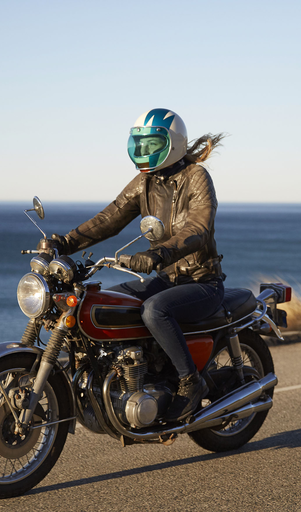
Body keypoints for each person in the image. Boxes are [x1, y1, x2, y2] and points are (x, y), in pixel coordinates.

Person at [52, 108, 225, 421]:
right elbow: (110, 218)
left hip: (201, 282)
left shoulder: (196, 177)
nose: (143, 151)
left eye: (151, 144)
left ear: (172, 144)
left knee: (154, 310)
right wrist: (64, 243)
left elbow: (198, 228)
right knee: (108, 302)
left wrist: (159, 254)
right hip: (166, 279)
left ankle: (190, 382)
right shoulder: (145, 182)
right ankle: (127, 376)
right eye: (140, 144)